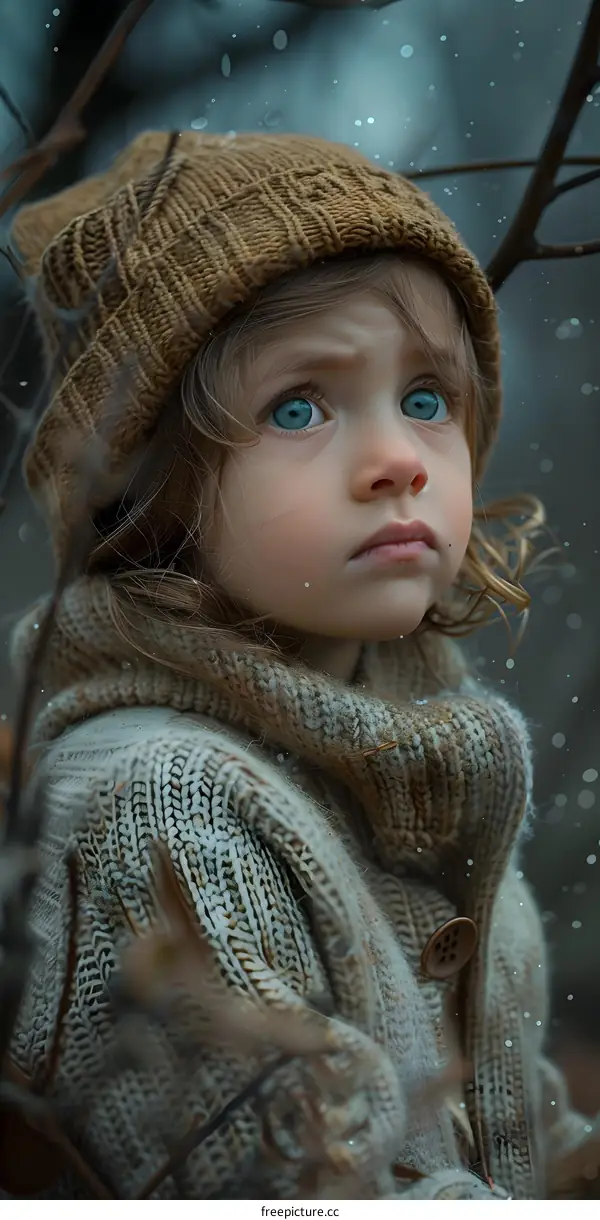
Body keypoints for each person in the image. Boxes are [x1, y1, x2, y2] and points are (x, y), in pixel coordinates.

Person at [5, 131, 598, 1199]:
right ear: (151, 494)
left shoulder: (423, 760)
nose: (398, 459)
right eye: (299, 407)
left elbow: (517, 1133)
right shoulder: (161, 802)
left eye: (427, 398)